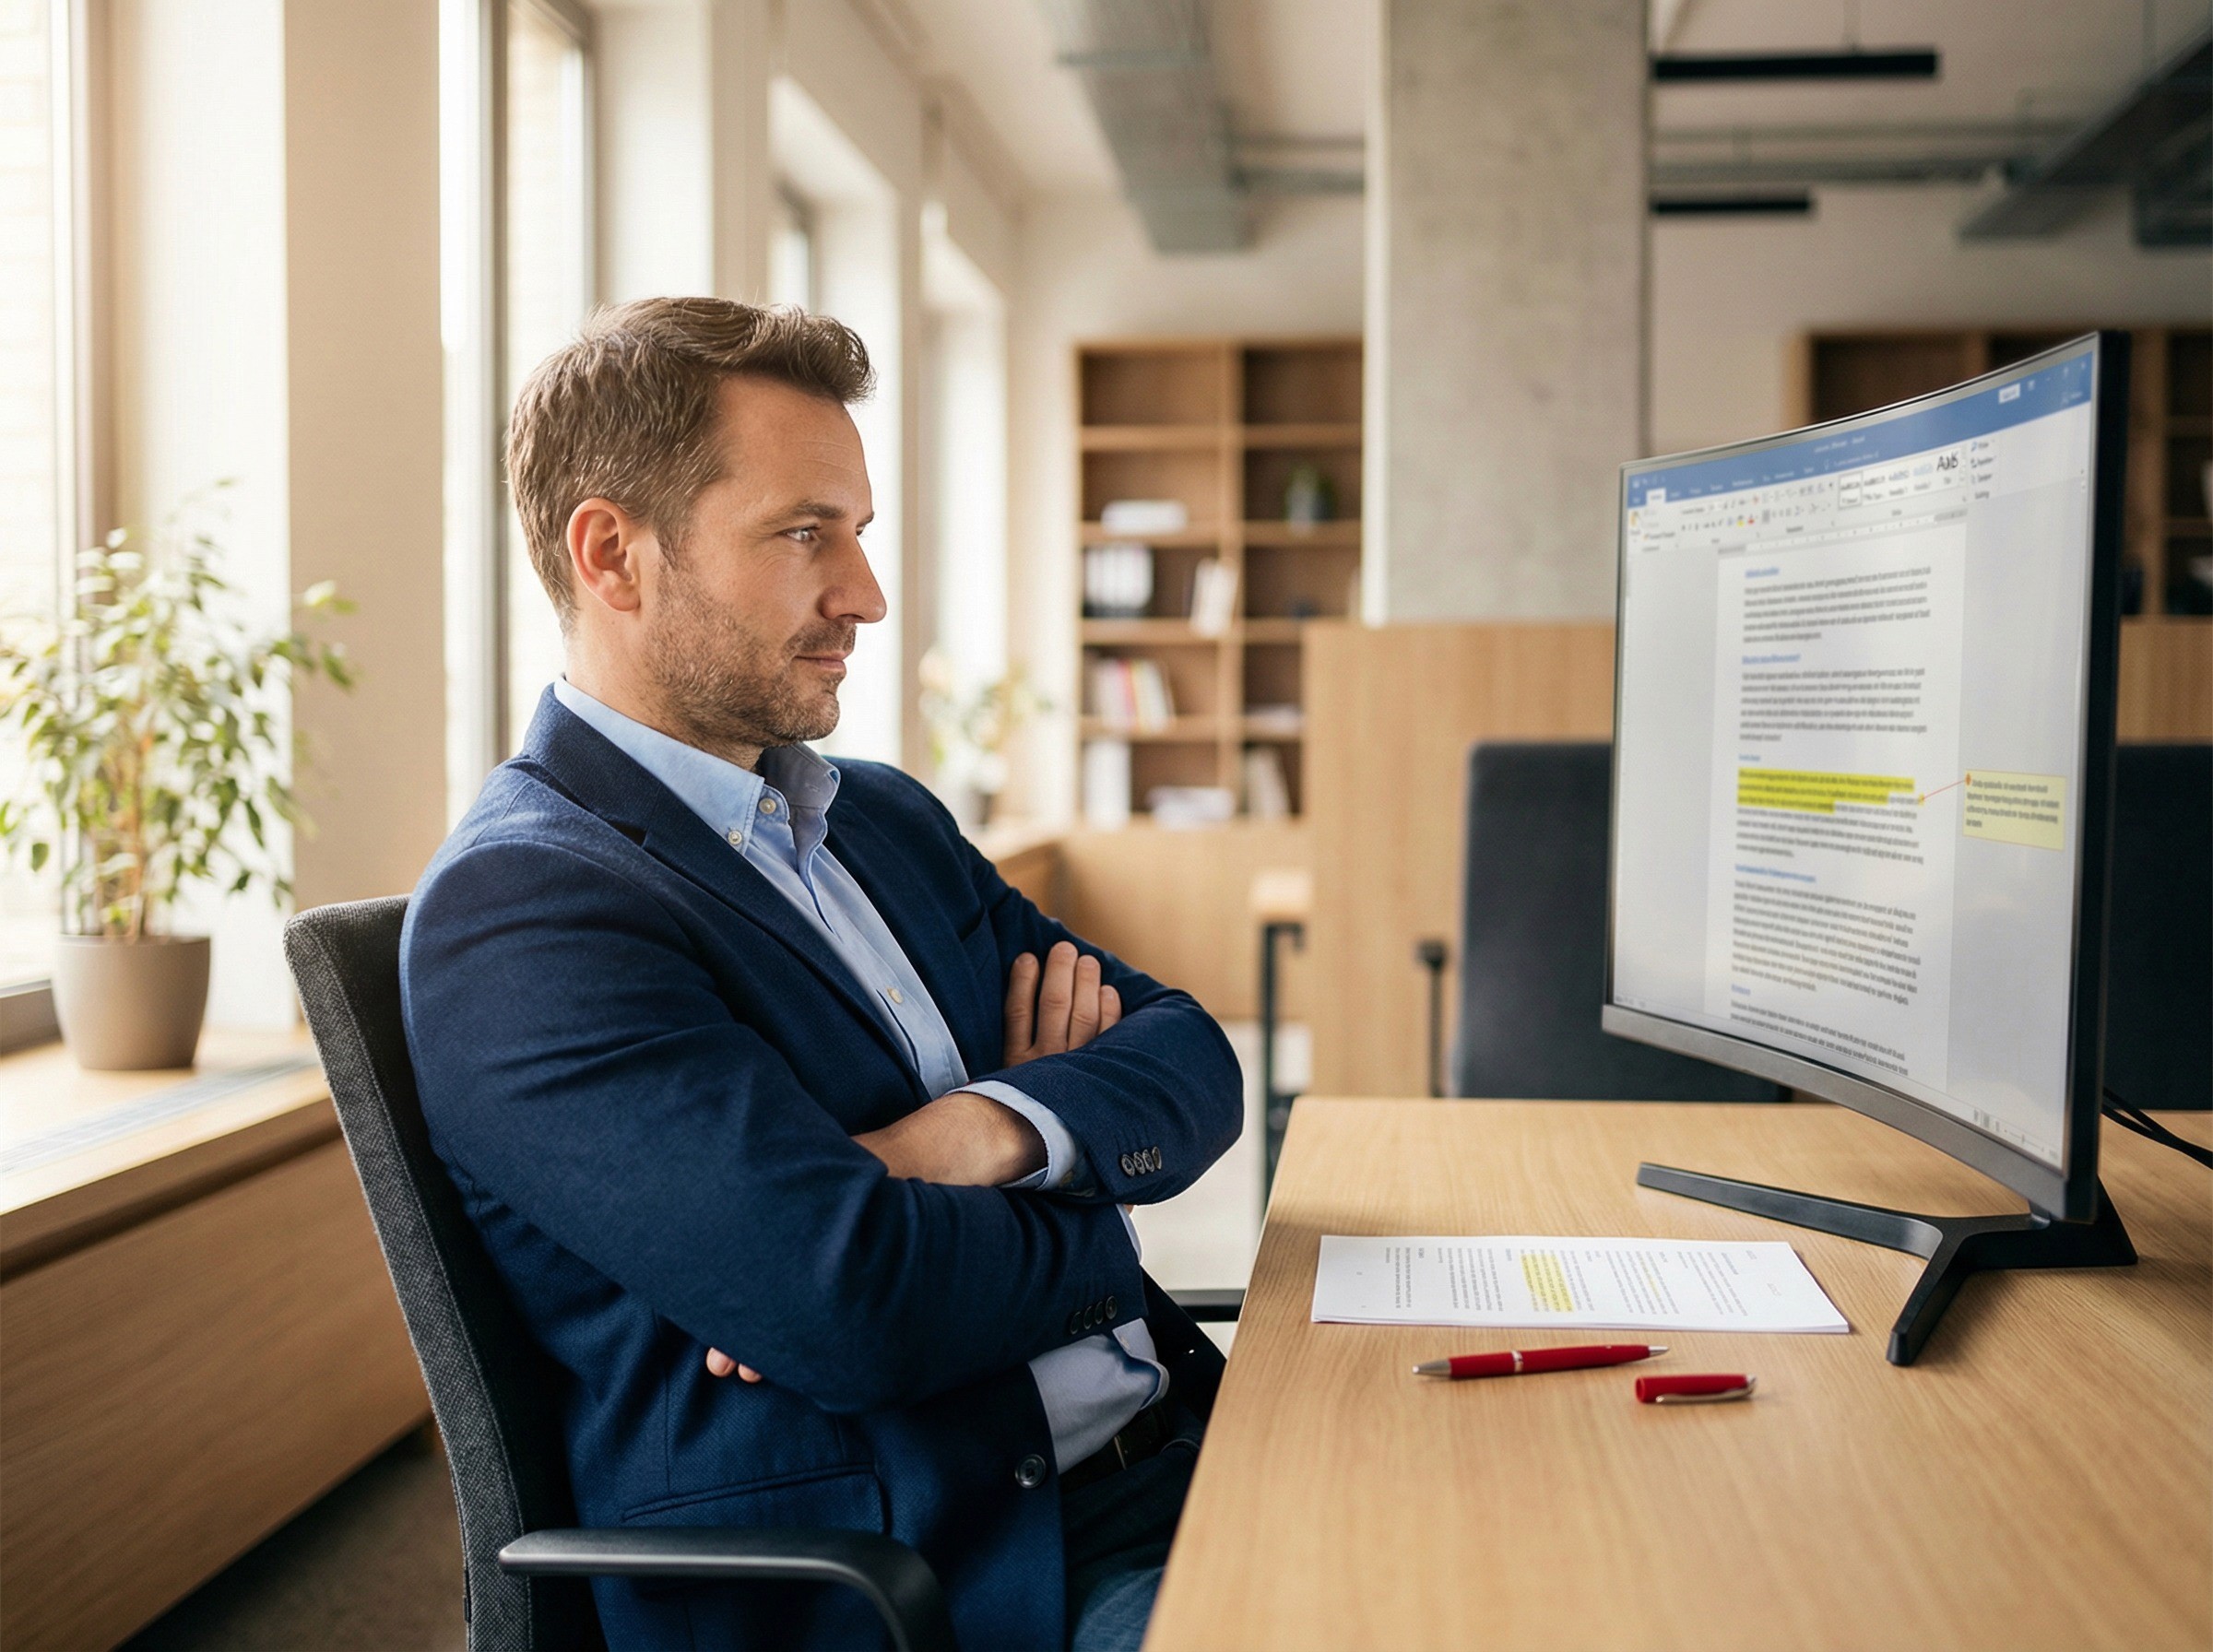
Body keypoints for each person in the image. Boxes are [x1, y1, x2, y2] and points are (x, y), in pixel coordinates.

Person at [400, 296, 1244, 1652]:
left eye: (857, 532)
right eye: (806, 534)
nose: (866, 593)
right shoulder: (529, 913)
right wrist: (1080, 1164)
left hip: (1188, 1453)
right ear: (613, 554)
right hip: (961, 1574)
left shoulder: (882, 819)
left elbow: (1191, 1056)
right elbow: (856, 1305)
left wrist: (975, 1137)